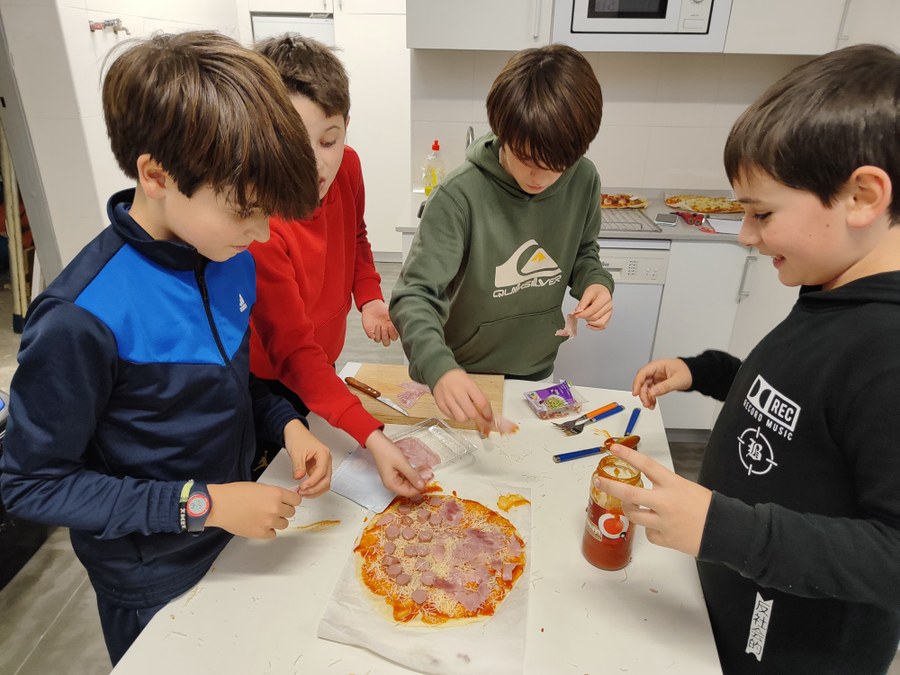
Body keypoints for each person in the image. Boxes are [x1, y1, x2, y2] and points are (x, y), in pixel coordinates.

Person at [0, 31, 333, 665]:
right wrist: (205, 503)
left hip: (235, 537)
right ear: (156, 175)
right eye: (245, 211)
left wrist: (286, 424)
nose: (263, 234)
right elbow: (31, 484)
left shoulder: (227, 255)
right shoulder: (81, 318)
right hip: (150, 574)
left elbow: (226, 380)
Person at [597, 44, 900, 674]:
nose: (746, 235)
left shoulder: (888, 349)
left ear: (862, 196)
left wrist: (725, 529)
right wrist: (706, 372)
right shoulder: (830, 289)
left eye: (762, 213)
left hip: (793, 645)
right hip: (731, 603)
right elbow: (799, 414)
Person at [389, 44, 615, 430]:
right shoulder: (458, 196)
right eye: (526, 159)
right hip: (463, 375)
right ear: (503, 131)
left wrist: (595, 281)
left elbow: (582, 251)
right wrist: (439, 368)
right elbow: (414, 297)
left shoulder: (584, 179)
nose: (539, 178)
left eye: (556, 167)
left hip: (537, 373)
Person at [248, 34, 427, 495]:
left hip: (321, 360)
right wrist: (372, 435)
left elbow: (357, 236)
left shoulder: (347, 167)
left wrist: (367, 295)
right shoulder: (258, 228)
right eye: (291, 145)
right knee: (283, 480)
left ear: (346, 125)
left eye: (329, 140)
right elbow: (294, 355)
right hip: (269, 375)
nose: (316, 166)